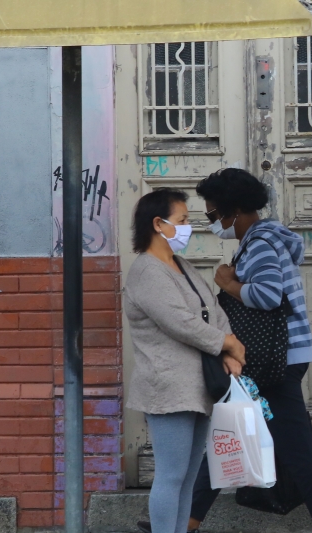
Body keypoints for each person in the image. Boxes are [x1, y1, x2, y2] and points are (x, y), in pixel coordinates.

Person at [188, 168, 312, 533]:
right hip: (277, 356)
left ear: (232, 210)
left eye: (213, 214)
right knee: (232, 432)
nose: (212, 223)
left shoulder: (259, 244)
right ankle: (185, 522)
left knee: (290, 447)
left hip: (274, 360)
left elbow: (269, 295)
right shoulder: (263, 239)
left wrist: (228, 283)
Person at [125, 188, 246, 533]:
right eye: (182, 220)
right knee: (171, 475)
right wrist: (227, 343)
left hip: (199, 386)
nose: (188, 227)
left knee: (188, 476)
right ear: (158, 224)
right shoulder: (147, 271)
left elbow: (213, 310)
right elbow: (180, 322)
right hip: (168, 388)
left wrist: (229, 350)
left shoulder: (183, 266)